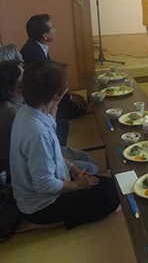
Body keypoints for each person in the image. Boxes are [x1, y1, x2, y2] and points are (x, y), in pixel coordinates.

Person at [9, 61, 119, 229]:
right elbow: (44, 185)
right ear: (56, 95)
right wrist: (77, 185)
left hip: (50, 185)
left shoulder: (27, 111)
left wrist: (73, 169)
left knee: (109, 183)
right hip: (41, 206)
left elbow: (53, 152)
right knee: (112, 195)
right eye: (64, 86)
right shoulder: (36, 132)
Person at [0, 61, 98, 182]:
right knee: (90, 168)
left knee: (85, 156)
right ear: (13, 87)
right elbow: (45, 180)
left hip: (43, 150)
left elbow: (49, 136)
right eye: (23, 81)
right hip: (26, 165)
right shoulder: (13, 113)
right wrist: (76, 182)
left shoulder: (22, 105)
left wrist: (54, 106)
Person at [19, 14, 87, 121]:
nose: (55, 30)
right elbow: (49, 83)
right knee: (80, 107)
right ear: (45, 36)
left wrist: (68, 95)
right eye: (53, 27)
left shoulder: (35, 46)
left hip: (44, 95)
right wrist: (70, 98)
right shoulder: (34, 54)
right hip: (40, 101)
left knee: (81, 101)